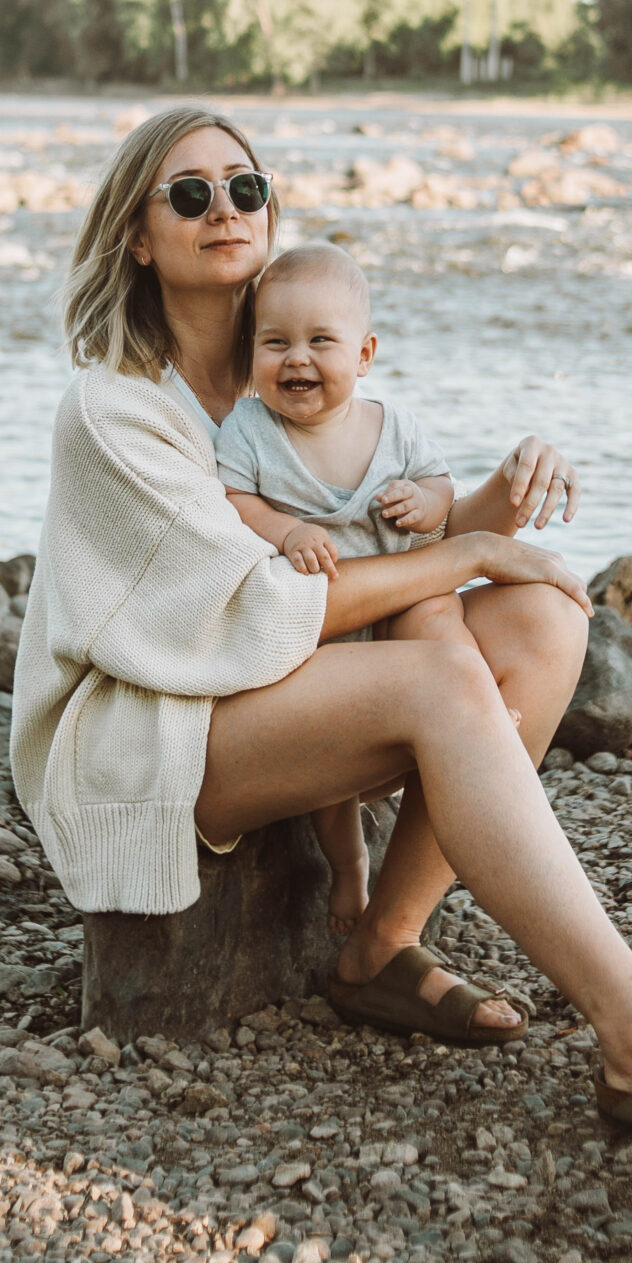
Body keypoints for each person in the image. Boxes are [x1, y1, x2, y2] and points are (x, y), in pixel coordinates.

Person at [11, 103, 632, 1162]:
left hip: (277, 676)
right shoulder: (116, 409)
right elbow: (251, 609)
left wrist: (504, 491)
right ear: (138, 234)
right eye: (190, 193)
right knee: (442, 680)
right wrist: (461, 559)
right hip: (150, 727)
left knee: (543, 616)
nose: (224, 208)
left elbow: (395, 530)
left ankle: (381, 946)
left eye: (244, 186)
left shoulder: (303, 367)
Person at [216, 239, 520, 939]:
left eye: (321, 341)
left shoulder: (394, 425)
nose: (297, 358)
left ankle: (475, 717)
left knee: (439, 610)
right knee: (336, 797)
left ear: (363, 355)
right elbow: (232, 500)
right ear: (250, 354)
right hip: (321, 628)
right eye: (275, 342)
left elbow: (443, 486)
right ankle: (350, 866)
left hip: (400, 601)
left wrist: (426, 499)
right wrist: (286, 530)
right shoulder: (251, 430)